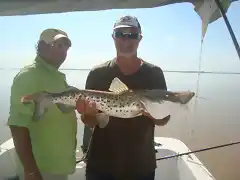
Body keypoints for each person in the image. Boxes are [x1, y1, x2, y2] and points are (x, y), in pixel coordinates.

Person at [76, 15, 171, 180]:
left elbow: (163, 119)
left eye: (132, 34)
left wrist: (154, 115)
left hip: (141, 165)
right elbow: (89, 121)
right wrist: (89, 114)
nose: (126, 39)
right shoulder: (97, 73)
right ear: (113, 37)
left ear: (140, 38)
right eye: (121, 34)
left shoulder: (154, 73)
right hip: (101, 164)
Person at [7, 28, 77, 180]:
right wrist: (31, 171)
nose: (63, 50)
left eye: (66, 46)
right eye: (57, 45)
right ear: (41, 46)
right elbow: (18, 125)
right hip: (41, 169)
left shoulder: (56, 77)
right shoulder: (29, 76)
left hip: (58, 167)